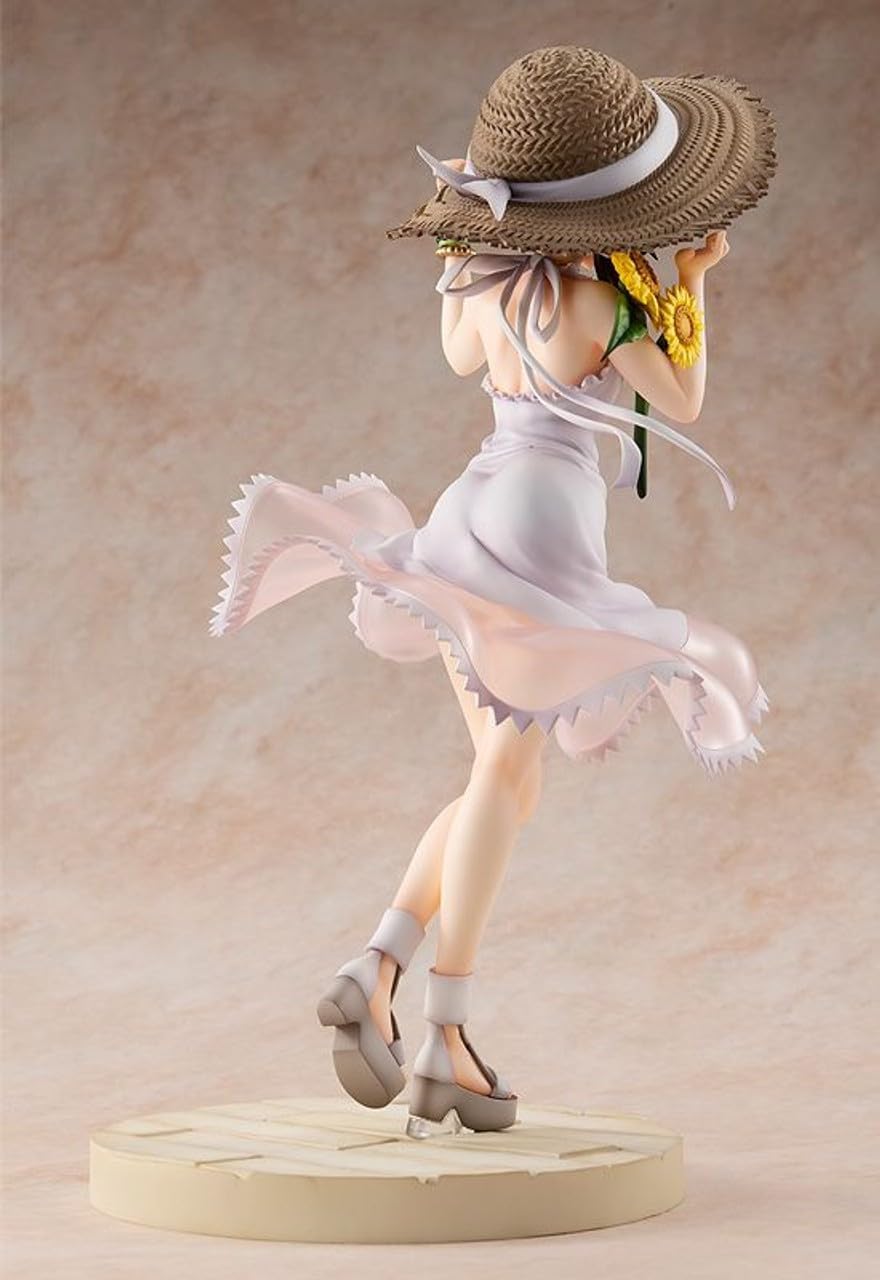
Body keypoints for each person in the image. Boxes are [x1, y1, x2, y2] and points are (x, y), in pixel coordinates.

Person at [209, 46, 778, 1135]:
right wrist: (690, 284)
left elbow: (460, 359)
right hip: (545, 519)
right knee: (505, 781)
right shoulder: (603, 302)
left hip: (468, 505)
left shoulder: (483, 285)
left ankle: (377, 963)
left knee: (500, 782)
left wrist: (465, 255)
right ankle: (446, 1029)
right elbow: (686, 402)